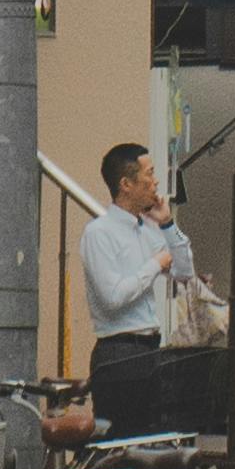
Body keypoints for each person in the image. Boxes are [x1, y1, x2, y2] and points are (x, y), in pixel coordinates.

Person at [77, 139, 192, 440]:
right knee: (121, 444)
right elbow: (113, 297)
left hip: (151, 348)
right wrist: (154, 264)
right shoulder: (99, 233)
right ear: (126, 184)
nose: (156, 182)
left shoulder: (149, 229)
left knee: (153, 441)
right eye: (150, 174)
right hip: (117, 352)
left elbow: (184, 272)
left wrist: (167, 224)